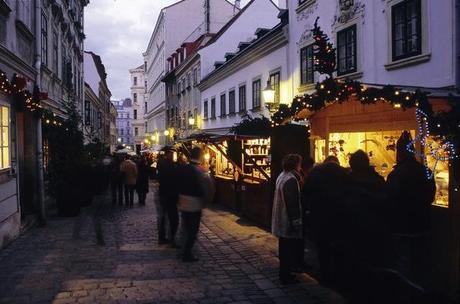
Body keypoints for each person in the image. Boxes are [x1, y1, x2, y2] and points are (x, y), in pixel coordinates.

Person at [386, 131, 436, 284]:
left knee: (403, 265)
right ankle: (422, 291)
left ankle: (407, 293)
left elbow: (389, 200)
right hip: (422, 224)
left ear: (399, 153)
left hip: (402, 227)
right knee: (421, 262)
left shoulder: (396, 175)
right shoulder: (426, 171)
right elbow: (431, 196)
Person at [303, 155, 350, 287]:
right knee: (338, 247)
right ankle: (339, 276)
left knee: (323, 248)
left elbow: (306, 193)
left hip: (320, 216)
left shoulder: (315, 174)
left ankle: (325, 276)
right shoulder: (344, 173)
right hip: (339, 216)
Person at [177, 146, 214, 262]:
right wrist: (206, 200)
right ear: (200, 156)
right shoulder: (199, 170)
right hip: (194, 203)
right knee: (192, 229)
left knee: (185, 227)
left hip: (183, 201)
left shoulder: (183, 168)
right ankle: (187, 253)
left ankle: (183, 249)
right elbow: (206, 187)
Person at [272, 154, 304, 284]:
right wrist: (296, 222)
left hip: (280, 218)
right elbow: (292, 203)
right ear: (296, 164)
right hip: (286, 220)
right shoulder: (290, 179)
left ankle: (285, 273)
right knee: (287, 250)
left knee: (284, 249)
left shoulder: (282, 176)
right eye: (299, 164)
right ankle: (286, 275)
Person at [157, 148, 179, 245]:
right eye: (172, 153)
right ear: (168, 154)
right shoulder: (168, 165)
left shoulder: (161, 163)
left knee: (164, 217)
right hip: (170, 194)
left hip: (164, 193)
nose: (173, 155)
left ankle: (162, 237)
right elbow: (172, 178)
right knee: (173, 217)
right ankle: (172, 238)